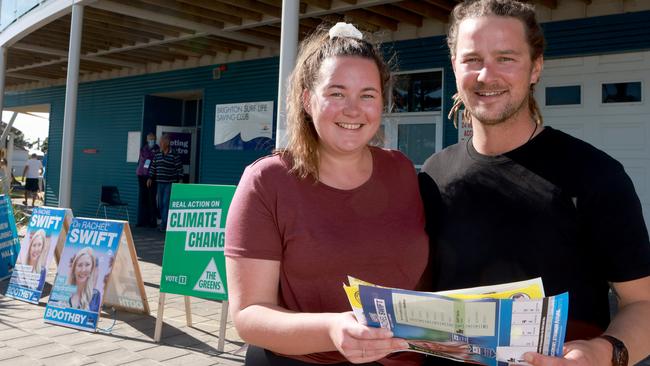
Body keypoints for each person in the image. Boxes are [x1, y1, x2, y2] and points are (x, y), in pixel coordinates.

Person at [418, 1, 650, 365]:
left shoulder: (595, 175)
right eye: (472, 59)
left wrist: (604, 353)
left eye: (505, 58)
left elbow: (642, 302)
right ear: (454, 66)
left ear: (535, 68)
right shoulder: (433, 175)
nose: (485, 75)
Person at [225, 22, 429, 366]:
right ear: (307, 99)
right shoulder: (267, 181)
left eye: (367, 95)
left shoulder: (402, 171)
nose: (353, 109)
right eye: (336, 93)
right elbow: (249, 315)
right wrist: (333, 328)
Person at [147, 134, 182, 232]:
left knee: (166, 203)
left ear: (167, 143)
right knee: (160, 204)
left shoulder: (174, 154)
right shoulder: (157, 154)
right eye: (160, 142)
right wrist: (150, 177)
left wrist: (180, 179)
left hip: (169, 183)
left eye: (162, 142)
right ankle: (164, 221)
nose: (160, 144)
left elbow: (179, 168)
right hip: (160, 182)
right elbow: (153, 166)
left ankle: (164, 224)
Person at [136, 133, 159, 227]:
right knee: (143, 198)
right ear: (146, 139)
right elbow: (141, 160)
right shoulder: (143, 148)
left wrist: (151, 176)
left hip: (151, 176)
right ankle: (142, 220)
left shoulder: (157, 149)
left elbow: (154, 162)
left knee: (151, 198)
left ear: (155, 139)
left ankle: (153, 221)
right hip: (141, 175)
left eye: (153, 139)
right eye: (150, 139)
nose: (151, 141)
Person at [67, 247, 101, 312]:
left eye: (87, 265)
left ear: (92, 268)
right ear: (74, 268)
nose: (83, 270)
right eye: (79, 265)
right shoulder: (64, 291)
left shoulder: (95, 295)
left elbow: (91, 319)